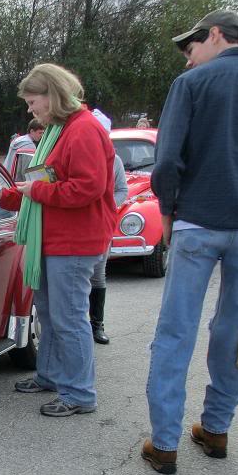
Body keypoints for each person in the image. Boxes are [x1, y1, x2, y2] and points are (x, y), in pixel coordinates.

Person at [141, 11, 238, 474]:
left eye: (192, 49)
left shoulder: (191, 85)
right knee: (233, 332)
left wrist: (166, 215)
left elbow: (167, 161)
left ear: (217, 35)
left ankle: (165, 443)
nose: (189, 60)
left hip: (196, 225)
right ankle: (216, 428)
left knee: (175, 333)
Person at [0, 63, 117, 417]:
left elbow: (87, 188)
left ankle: (79, 393)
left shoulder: (83, 130)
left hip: (74, 241)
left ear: (52, 95)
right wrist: (8, 196)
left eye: (33, 102)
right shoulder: (58, 131)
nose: (31, 110)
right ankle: (51, 374)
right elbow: (43, 185)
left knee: (69, 316)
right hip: (52, 237)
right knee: (48, 311)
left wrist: (37, 192)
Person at [89, 109, 130, 344]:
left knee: (98, 275)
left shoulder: (114, 160)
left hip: (102, 224)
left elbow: (122, 190)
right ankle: (80, 327)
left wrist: (108, 206)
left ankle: (97, 324)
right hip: (78, 226)